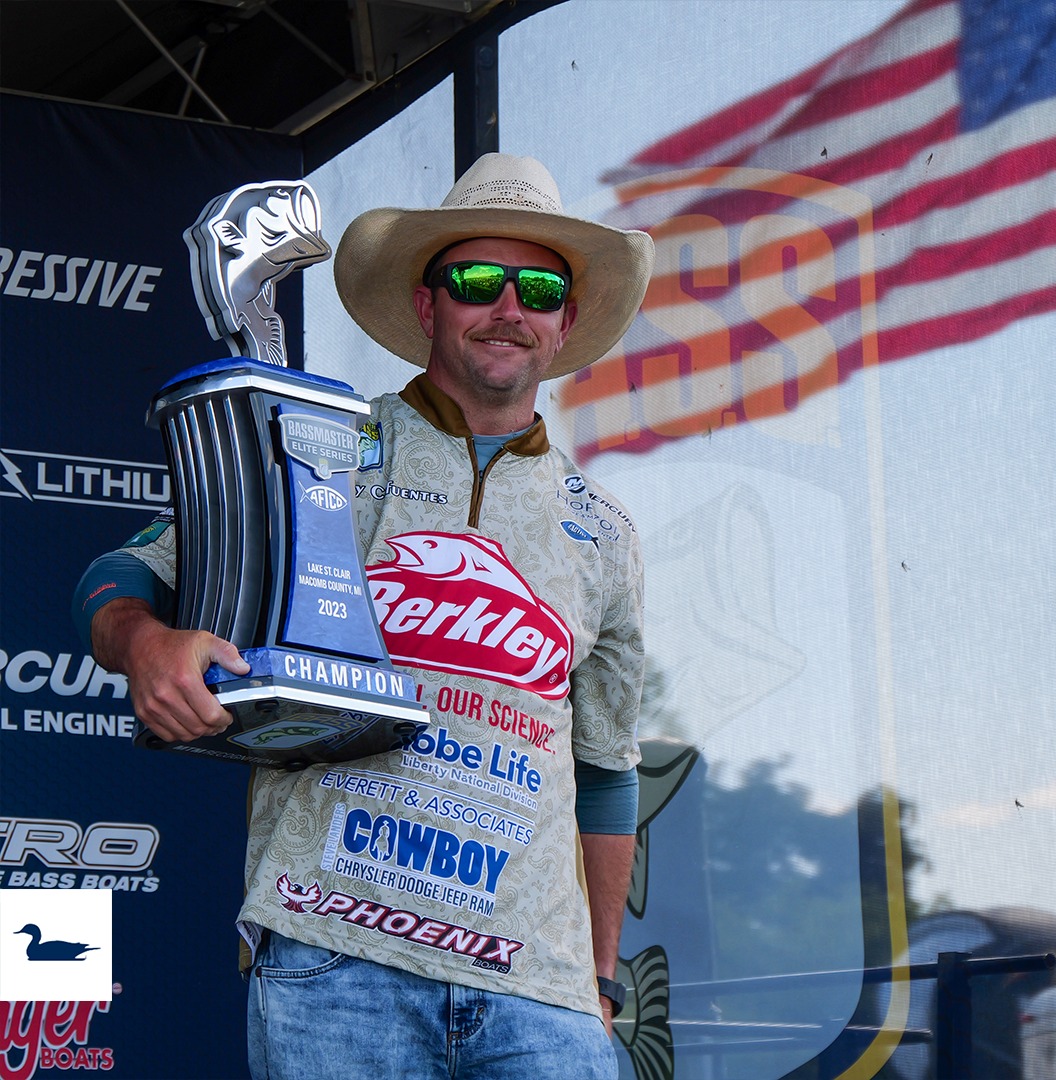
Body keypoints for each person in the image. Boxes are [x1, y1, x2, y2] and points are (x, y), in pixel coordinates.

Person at [73, 153, 655, 1079]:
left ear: (565, 323)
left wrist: (597, 974)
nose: (509, 306)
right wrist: (147, 642)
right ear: (429, 306)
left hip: (537, 989)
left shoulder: (605, 532)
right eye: (476, 280)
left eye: (539, 287)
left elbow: (608, 774)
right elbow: (121, 572)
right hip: (337, 951)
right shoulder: (324, 442)